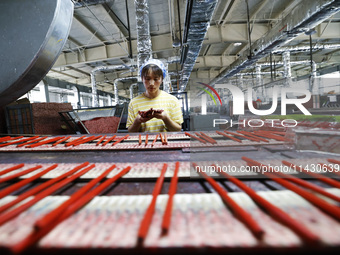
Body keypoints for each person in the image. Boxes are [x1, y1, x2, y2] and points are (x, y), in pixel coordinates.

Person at [126, 59, 183, 133]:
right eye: (147, 79)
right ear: (142, 79)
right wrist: (138, 121)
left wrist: (165, 118)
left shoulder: (172, 100)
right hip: (142, 143)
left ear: (162, 79)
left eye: (156, 79)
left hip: (165, 143)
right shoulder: (134, 103)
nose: (151, 83)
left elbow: (178, 129)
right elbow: (131, 132)